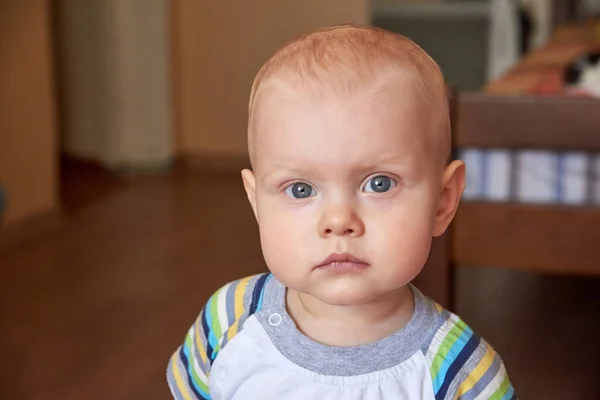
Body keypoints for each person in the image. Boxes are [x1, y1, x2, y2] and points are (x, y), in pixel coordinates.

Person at [166, 24, 516, 400]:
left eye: (379, 184)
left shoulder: (461, 373)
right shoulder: (228, 319)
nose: (338, 222)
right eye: (300, 190)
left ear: (443, 200)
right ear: (256, 203)